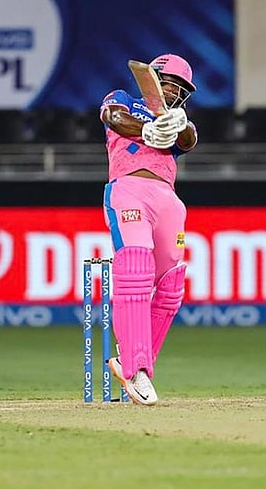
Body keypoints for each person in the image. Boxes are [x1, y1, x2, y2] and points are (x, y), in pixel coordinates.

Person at [98, 53, 198, 405]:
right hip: (128, 190)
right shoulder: (123, 99)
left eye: (182, 88)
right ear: (154, 79)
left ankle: (131, 363)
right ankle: (138, 369)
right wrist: (145, 129)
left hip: (168, 201)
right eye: (170, 82)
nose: (174, 91)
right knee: (135, 270)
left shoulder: (175, 120)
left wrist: (176, 124)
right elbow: (113, 117)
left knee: (171, 286)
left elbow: (188, 140)